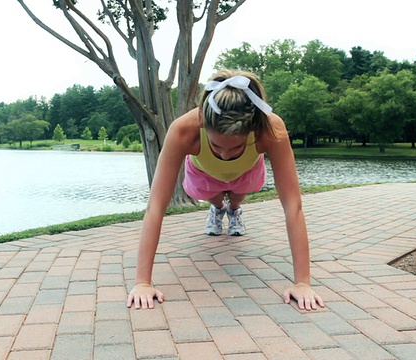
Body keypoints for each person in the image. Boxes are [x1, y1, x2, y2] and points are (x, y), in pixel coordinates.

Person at [126, 69, 325, 311]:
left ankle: (234, 209)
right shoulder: (183, 130)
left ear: (252, 130)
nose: (225, 154)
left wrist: (303, 282)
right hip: (203, 175)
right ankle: (217, 208)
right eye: (217, 145)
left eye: (236, 146)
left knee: (238, 196)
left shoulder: (271, 129)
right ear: (203, 123)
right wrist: (142, 282)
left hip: (247, 173)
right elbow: (156, 206)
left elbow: (293, 205)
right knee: (213, 196)